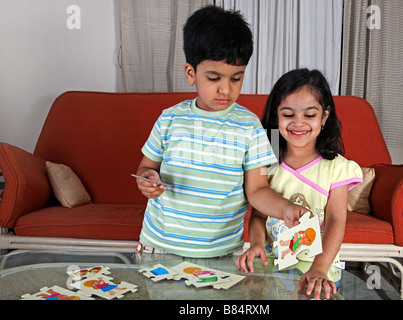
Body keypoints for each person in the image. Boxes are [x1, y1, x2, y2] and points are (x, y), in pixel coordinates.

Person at [134, 6, 308, 258]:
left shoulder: (252, 127)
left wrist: (286, 209)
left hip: (222, 254)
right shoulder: (169, 119)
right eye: (214, 78)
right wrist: (147, 179)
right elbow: (145, 168)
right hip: (159, 247)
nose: (225, 89)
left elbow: (258, 190)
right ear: (191, 73)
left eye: (236, 79)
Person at [235, 68, 363, 299]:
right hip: (274, 266)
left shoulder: (337, 168)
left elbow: (336, 220)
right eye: (288, 114)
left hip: (320, 267)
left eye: (309, 115)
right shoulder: (266, 162)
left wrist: (320, 267)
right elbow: (258, 215)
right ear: (276, 116)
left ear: (324, 117)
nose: (298, 123)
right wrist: (256, 244)